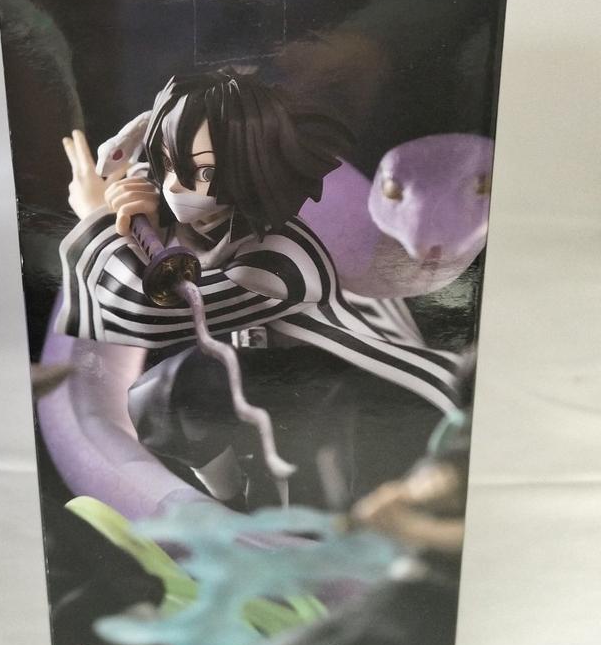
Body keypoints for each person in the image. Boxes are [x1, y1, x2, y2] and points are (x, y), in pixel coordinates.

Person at [57, 70, 459, 509]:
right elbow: (180, 216)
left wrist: (97, 219)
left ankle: (241, 509)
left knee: (176, 392)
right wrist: (137, 203)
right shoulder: (217, 219)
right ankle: (231, 502)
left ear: (252, 164)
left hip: (378, 410)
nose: (173, 185)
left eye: (203, 171)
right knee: (170, 400)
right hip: (287, 391)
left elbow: (146, 315)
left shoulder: (281, 258)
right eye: (169, 165)